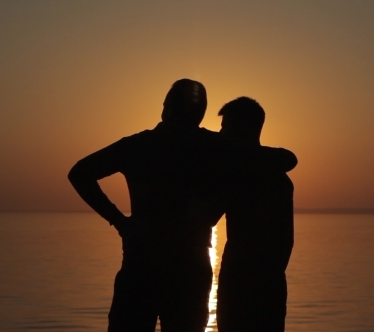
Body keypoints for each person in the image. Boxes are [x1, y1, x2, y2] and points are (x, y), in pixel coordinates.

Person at [68, 80, 296, 332]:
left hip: (142, 264)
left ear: (165, 108)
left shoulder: (138, 145)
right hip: (188, 271)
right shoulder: (213, 146)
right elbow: (285, 159)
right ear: (200, 113)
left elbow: (79, 173)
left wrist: (120, 222)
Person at [216, 97, 295, 332]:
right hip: (267, 281)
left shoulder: (247, 174)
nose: (222, 133)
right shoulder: (276, 173)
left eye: (226, 126)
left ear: (244, 128)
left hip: (246, 281)